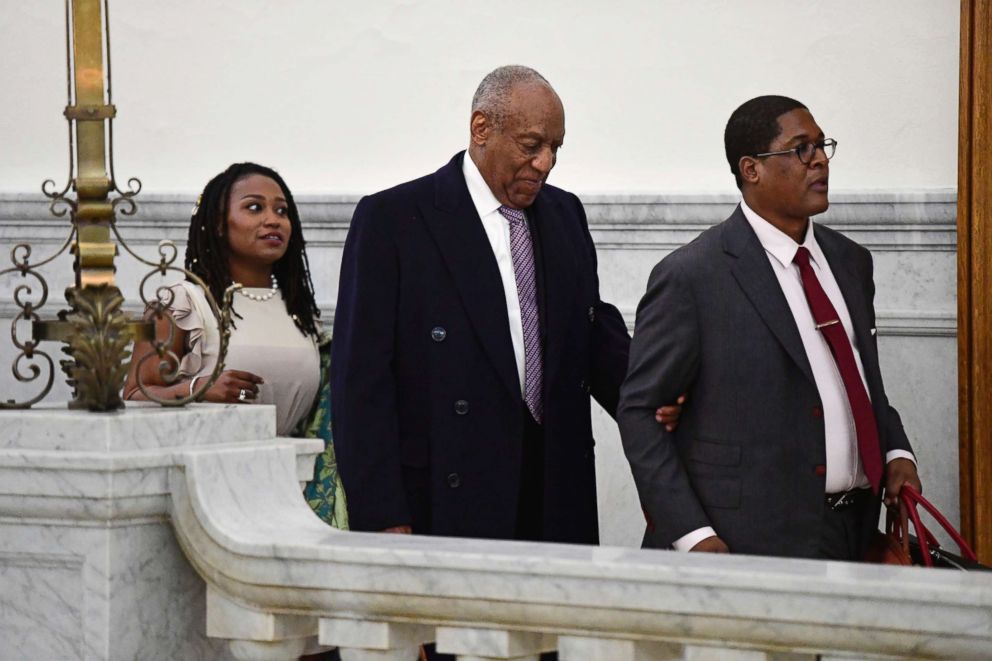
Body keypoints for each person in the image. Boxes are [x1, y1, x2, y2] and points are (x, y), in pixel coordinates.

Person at [332, 65, 681, 546]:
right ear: (482, 129)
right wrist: (383, 513)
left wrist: (655, 393)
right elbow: (361, 380)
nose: (545, 163)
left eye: (555, 148)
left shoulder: (564, 213)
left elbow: (593, 333)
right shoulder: (394, 219)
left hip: (554, 489)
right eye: (532, 145)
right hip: (444, 497)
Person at [617, 96, 922, 561]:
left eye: (822, 145)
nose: (819, 159)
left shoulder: (851, 262)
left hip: (856, 532)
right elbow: (640, 415)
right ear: (751, 169)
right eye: (800, 149)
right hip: (745, 543)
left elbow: (861, 383)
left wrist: (897, 452)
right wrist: (693, 535)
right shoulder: (694, 275)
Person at [123, 162, 347, 529]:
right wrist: (200, 389)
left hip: (293, 486)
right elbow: (133, 393)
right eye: (255, 207)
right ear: (217, 223)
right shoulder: (182, 302)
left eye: (282, 210)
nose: (274, 220)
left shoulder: (299, 311)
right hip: (207, 486)